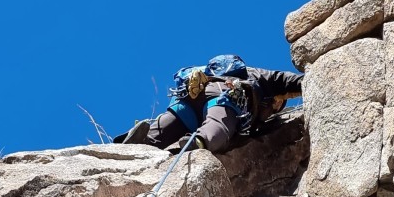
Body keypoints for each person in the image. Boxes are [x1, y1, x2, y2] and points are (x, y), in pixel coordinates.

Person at [116, 54, 302, 153]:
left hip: (189, 97)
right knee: (219, 125)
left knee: (171, 122)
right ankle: (199, 141)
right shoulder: (265, 77)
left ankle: (141, 140)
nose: (276, 108)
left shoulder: (208, 71)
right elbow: (295, 81)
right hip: (223, 96)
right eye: (278, 105)